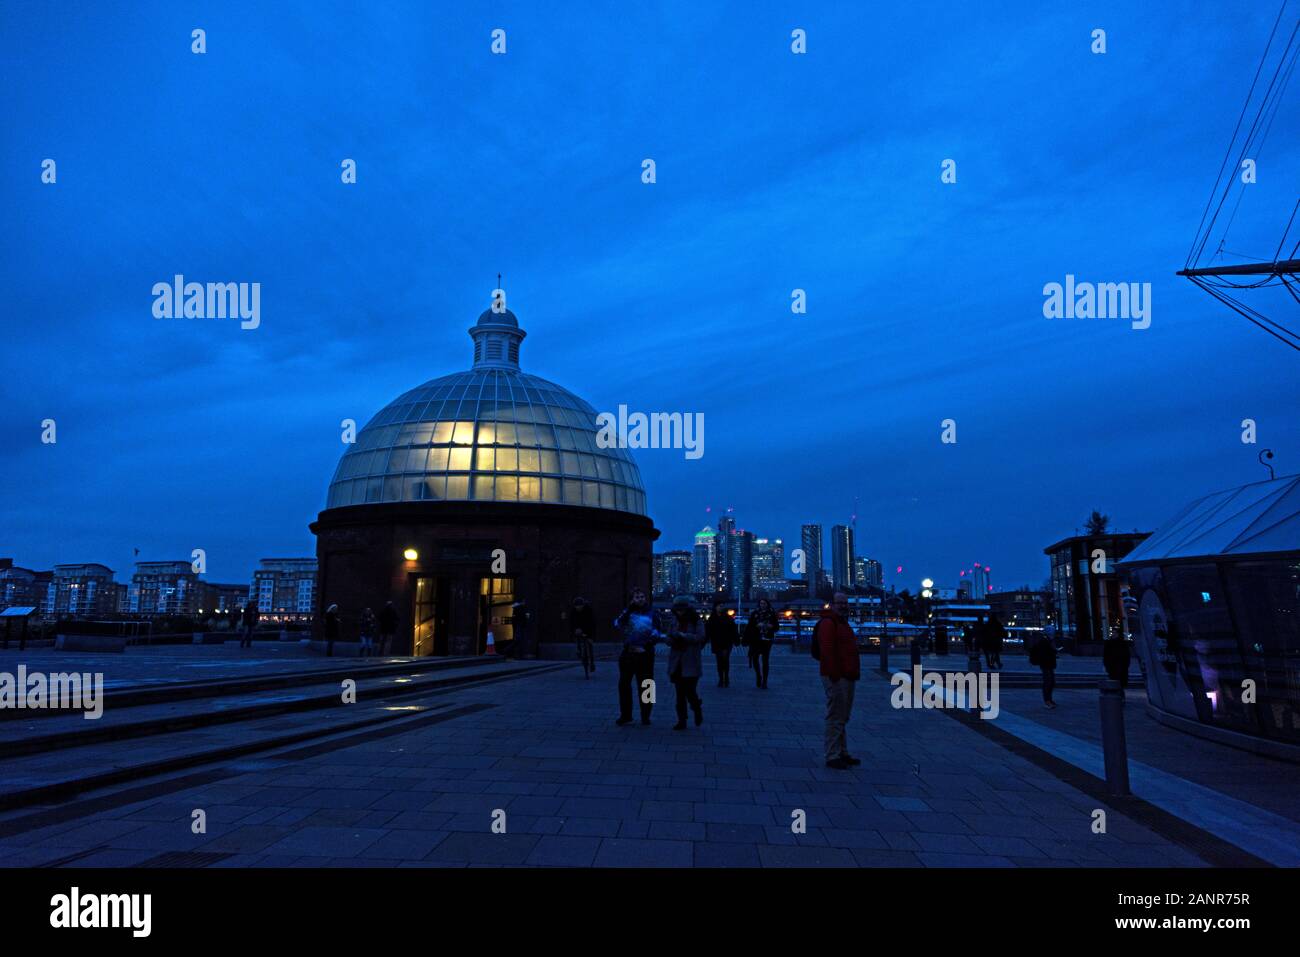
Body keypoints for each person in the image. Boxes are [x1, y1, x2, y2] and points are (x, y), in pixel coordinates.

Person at [814, 592, 861, 769]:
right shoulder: (829, 623)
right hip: (837, 676)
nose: (843, 606)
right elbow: (827, 650)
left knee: (843, 716)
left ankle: (842, 751)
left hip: (847, 675)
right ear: (831, 605)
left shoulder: (842, 622)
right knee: (836, 716)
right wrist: (834, 675)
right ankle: (832, 755)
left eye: (845, 603)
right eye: (839, 603)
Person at [614, 588, 661, 726]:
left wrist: (646, 646)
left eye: (642, 596)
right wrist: (628, 611)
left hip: (645, 654)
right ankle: (625, 715)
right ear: (632, 600)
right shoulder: (627, 613)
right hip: (628, 653)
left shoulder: (653, 613)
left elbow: (657, 632)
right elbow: (617, 624)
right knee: (624, 685)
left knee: (647, 685)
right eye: (637, 597)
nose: (640, 599)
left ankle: (646, 715)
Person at [666, 596, 705, 730]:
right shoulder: (674, 620)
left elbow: (700, 637)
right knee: (679, 694)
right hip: (677, 661)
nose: (680, 612)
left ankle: (696, 708)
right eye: (677, 610)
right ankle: (681, 720)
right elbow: (669, 636)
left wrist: (684, 636)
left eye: (682, 610)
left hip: (691, 660)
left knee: (690, 691)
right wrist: (670, 639)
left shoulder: (695, 620)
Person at [744, 598, 780, 689]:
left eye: (764, 603)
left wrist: (770, 626)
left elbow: (776, 627)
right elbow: (749, 626)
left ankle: (764, 681)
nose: (762, 605)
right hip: (756, 639)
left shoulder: (772, 614)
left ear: (767, 604)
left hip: (767, 640)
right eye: (761, 603)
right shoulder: (755, 614)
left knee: (765, 660)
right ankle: (758, 675)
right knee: (755, 658)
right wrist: (757, 626)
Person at [705, 598, 738, 687]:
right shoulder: (712, 618)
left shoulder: (728, 618)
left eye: (722, 606)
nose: (721, 608)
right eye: (719, 606)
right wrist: (703, 642)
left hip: (727, 642)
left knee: (725, 660)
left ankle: (726, 678)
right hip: (716, 642)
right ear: (715, 607)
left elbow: (733, 630)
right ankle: (721, 678)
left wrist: (736, 640)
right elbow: (708, 631)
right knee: (719, 661)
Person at [1030, 632, 1058, 708]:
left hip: (1049, 664)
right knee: (1048, 682)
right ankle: (1047, 701)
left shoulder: (1049, 641)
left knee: (1051, 682)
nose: (1053, 634)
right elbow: (1044, 654)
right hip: (1046, 665)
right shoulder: (1044, 642)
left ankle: (1049, 699)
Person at [571, 596, 596, 676]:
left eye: (580, 606)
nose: (578, 608)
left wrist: (591, 636)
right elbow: (571, 622)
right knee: (577, 636)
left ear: (583, 605)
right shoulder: (573, 611)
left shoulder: (588, 610)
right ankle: (578, 649)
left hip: (588, 628)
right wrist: (575, 629)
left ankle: (592, 663)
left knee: (590, 644)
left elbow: (592, 623)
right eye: (577, 606)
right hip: (578, 627)